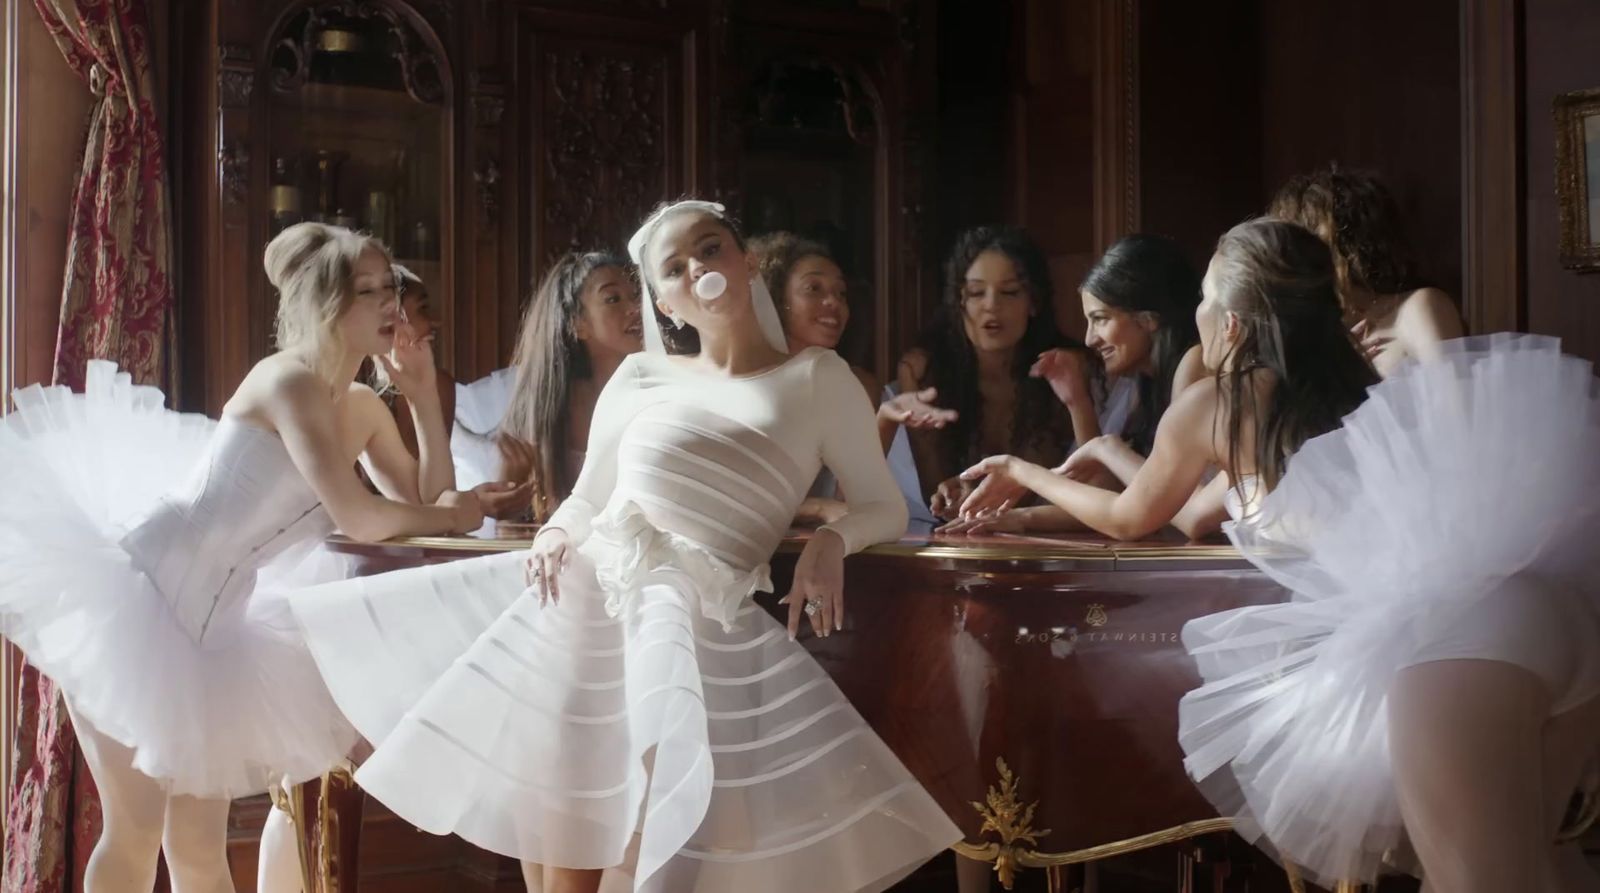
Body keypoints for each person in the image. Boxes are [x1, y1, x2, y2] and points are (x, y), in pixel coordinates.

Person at [289, 200, 961, 893]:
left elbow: (881, 504)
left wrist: (832, 537)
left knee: (673, 851)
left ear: (747, 260)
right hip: (590, 604)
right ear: (664, 302)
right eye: (674, 267)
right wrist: (555, 531)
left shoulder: (819, 378)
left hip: (702, 634)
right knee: (566, 861)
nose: (697, 269)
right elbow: (589, 495)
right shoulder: (641, 376)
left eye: (710, 249)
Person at [960, 218, 1600, 891]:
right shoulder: (1352, 384)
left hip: (1455, 643)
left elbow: (1131, 517)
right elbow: (1190, 511)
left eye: (1206, 296)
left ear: (1232, 324)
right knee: (1543, 871)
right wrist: (1085, 459)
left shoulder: (1217, 401)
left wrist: (1021, 468)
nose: (1196, 312)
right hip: (1551, 615)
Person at [0, 222, 488, 893]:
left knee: (199, 848)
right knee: (137, 834)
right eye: (368, 291)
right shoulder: (287, 382)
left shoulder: (364, 407)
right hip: (140, 599)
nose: (390, 306)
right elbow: (364, 514)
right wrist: (447, 513)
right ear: (326, 305)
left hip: (216, 635)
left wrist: (425, 397)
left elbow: (430, 504)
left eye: (390, 289)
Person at [748, 231, 954, 529]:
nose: (833, 302)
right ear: (776, 299)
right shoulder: (748, 384)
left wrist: (887, 417)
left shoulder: (857, 384)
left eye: (841, 293)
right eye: (814, 288)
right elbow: (738, 502)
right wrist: (816, 508)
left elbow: (851, 502)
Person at [899, 225, 1097, 521]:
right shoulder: (923, 371)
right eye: (977, 293)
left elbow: (1088, 486)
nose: (992, 306)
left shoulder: (1065, 367)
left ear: (1034, 302)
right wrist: (952, 491)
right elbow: (933, 488)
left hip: (1047, 536)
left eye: (1009, 292)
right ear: (959, 302)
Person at [455, 251, 645, 525]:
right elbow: (512, 536)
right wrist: (511, 486)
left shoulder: (659, 394)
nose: (635, 308)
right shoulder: (546, 414)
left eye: (636, 295)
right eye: (613, 299)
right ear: (578, 325)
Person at [1268, 165, 1462, 376]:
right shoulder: (1312, 337)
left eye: (1302, 238)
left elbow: (1456, 405)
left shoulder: (1418, 307)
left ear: (1348, 243)